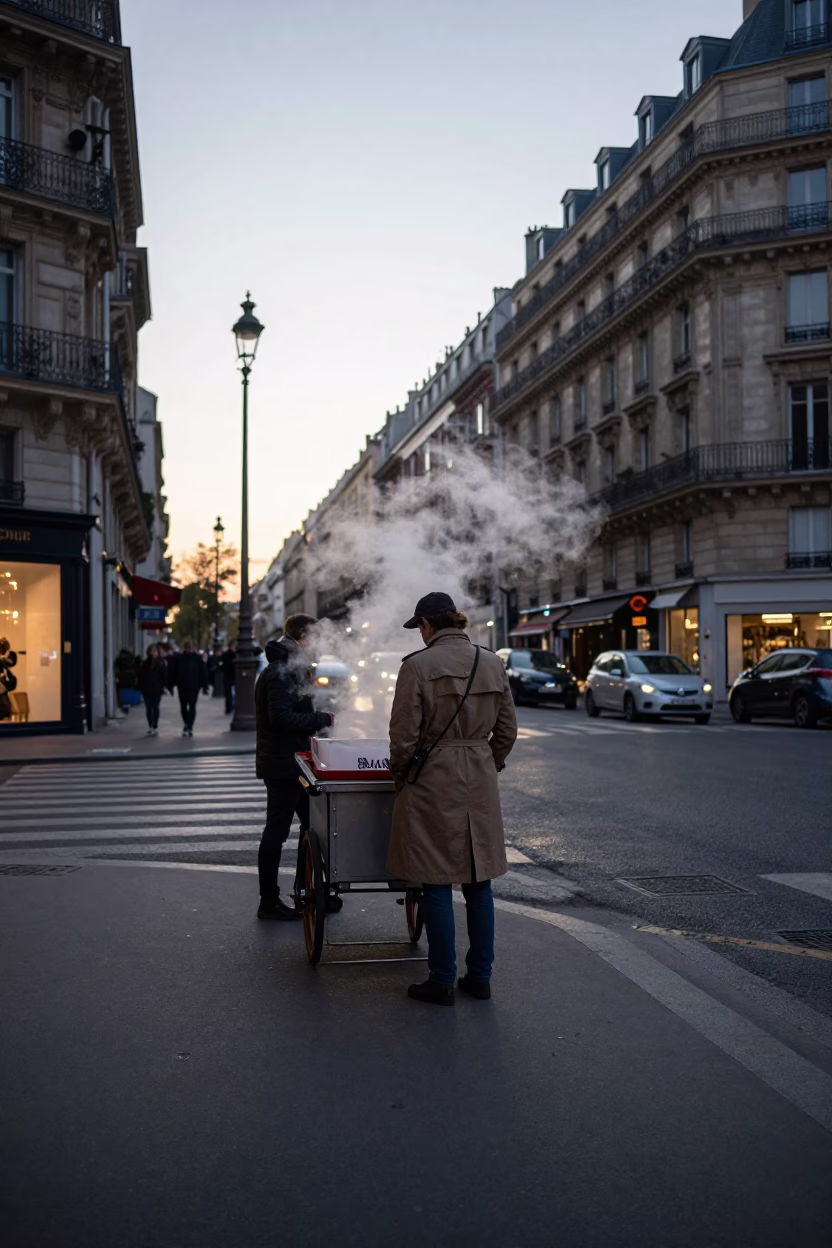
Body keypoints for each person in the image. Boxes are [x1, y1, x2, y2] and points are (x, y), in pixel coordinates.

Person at [387, 592, 517, 1007]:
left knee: (437, 880)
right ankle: (480, 977)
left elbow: (404, 736)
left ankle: (441, 979)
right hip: (478, 775)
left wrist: (401, 775)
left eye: (419, 628)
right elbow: (507, 730)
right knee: (480, 882)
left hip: (433, 780)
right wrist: (485, 761)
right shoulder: (492, 661)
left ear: (426, 625)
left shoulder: (417, 666)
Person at [254, 614, 335, 920]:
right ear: (302, 638)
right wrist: (323, 719)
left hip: (294, 763)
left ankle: (308, 892)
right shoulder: (280, 673)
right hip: (283, 765)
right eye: (314, 637)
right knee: (277, 832)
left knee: (313, 826)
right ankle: (269, 901)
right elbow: (281, 720)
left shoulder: (289, 669)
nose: (317, 644)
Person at [168, 640, 209, 737]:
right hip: (182, 686)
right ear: (185, 648)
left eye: (191, 648)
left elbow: (203, 672)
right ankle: (187, 723)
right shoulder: (179, 659)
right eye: (188, 648)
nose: (190, 650)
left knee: (192, 705)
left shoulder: (198, 659)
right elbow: (174, 672)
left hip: (194, 686)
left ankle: (189, 725)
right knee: (183, 706)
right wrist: (171, 685)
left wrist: (204, 686)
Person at [138, 643, 168, 736]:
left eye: (155, 651)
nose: (154, 653)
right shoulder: (144, 664)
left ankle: (155, 725)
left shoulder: (161, 663)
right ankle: (150, 725)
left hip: (157, 689)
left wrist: (165, 686)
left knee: (155, 708)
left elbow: (164, 676)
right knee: (148, 708)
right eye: (152, 651)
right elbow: (141, 676)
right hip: (147, 689)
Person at [222, 644, 236, 714]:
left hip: (229, 678)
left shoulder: (227, 655)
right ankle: (230, 707)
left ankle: (230, 708)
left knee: (230, 694)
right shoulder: (235, 655)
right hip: (231, 677)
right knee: (230, 694)